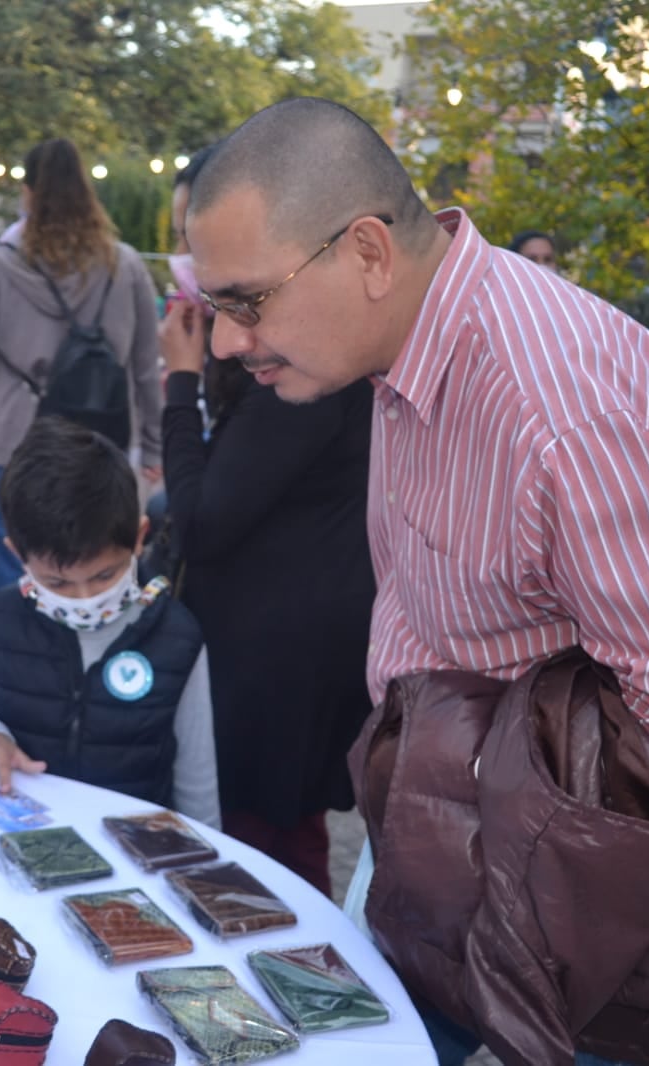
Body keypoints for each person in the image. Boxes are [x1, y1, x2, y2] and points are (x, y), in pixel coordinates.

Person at [185, 97, 649, 1066]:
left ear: (369, 254)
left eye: (245, 301)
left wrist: (527, 906)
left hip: (550, 911)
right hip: (445, 849)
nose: (221, 341)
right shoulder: (408, 346)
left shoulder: (555, 403)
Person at [158, 146, 373, 897]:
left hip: (278, 655)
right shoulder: (317, 340)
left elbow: (202, 522)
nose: (194, 271)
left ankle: (281, 989)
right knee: (288, 833)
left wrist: (179, 384)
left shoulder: (306, 362)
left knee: (254, 853)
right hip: (303, 633)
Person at [0, 416, 220, 827]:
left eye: (104, 575)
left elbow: (197, 770)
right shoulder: (1, 619)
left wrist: (206, 851)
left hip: (134, 844)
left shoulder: (177, 636)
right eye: (57, 582)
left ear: (139, 538)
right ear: (17, 554)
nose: (85, 598)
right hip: (26, 834)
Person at [0, 140, 163, 585]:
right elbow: (145, 367)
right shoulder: (126, 265)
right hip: (102, 441)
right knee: (99, 570)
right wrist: (152, 445)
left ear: (27, 192)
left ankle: (19, 652)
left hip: (12, 441)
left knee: (16, 571)